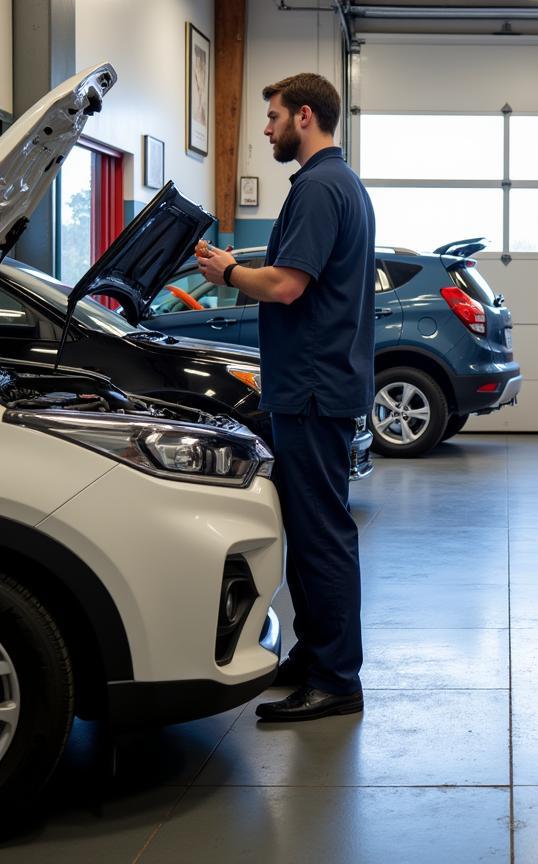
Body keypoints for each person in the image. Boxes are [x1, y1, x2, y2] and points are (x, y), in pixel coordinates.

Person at [196, 73, 375, 719]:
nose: (266, 129)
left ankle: (335, 680)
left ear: (304, 116)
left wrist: (228, 273)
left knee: (322, 533)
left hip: (312, 388)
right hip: (314, 385)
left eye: (271, 117)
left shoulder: (322, 187)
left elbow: (288, 285)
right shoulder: (336, 183)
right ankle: (314, 655)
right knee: (310, 528)